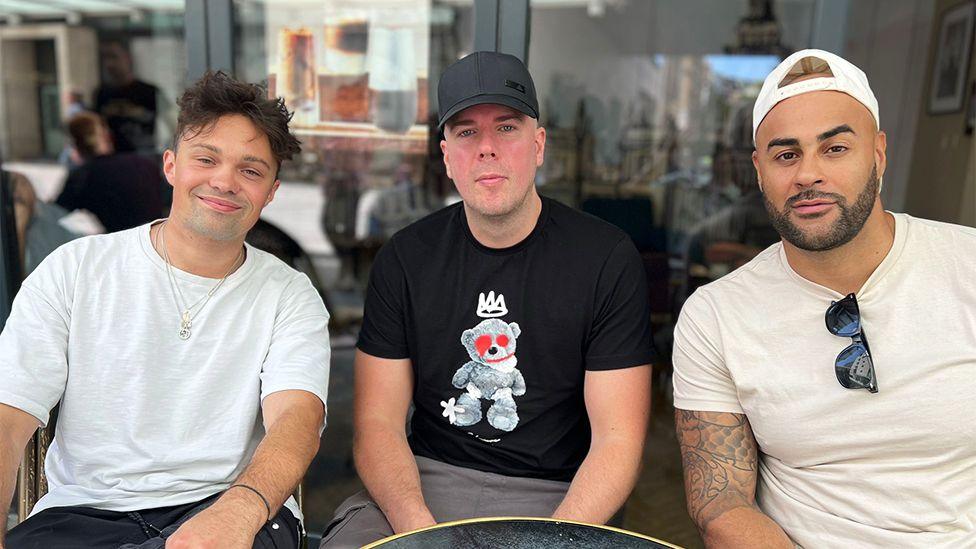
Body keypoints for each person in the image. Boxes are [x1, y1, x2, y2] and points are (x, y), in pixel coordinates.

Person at [320, 51, 655, 548]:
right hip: (422, 484)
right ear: (446, 155)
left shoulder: (604, 257)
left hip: (555, 496)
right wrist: (418, 529)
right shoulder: (406, 258)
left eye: (506, 127)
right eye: (466, 132)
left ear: (538, 144)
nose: (487, 149)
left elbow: (618, 440)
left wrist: (556, 539)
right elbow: (377, 425)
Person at [0, 71, 330, 549]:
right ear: (172, 166)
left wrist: (239, 511)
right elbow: (9, 414)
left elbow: (297, 420)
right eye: (207, 159)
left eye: (251, 170)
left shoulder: (289, 294)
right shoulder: (76, 269)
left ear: (271, 192)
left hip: (229, 505)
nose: (225, 181)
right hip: (85, 514)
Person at [672, 49, 976, 548]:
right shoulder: (717, 315)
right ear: (759, 169)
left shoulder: (966, 267)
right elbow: (720, 502)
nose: (807, 174)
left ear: (878, 154)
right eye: (786, 154)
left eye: (834, 148)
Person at [56, 111, 166, 233]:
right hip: (158, 238)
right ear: (108, 136)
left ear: (77, 144)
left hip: (123, 243)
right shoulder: (145, 164)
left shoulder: (84, 176)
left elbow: (56, 212)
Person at [94, 41, 161, 154]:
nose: (109, 64)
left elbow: (170, 121)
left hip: (143, 155)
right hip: (113, 157)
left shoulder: (148, 91)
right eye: (105, 58)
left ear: (127, 58)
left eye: (114, 57)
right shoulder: (102, 93)